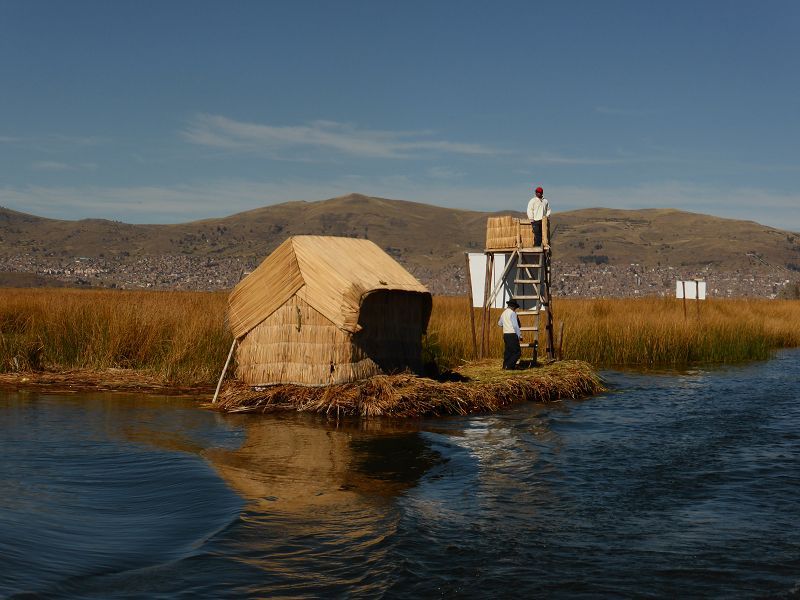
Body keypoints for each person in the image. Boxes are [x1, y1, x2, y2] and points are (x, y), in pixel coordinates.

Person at [498, 299, 522, 370]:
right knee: (517, 352)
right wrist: (519, 335)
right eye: (515, 308)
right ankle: (509, 366)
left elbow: (499, 323)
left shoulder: (503, 313)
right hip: (512, 334)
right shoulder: (513, 313)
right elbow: (515, 326)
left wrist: (506, 324)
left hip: (505, 334)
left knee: (508, 352)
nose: (515, 309)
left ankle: (504, 366)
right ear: (513, 307)